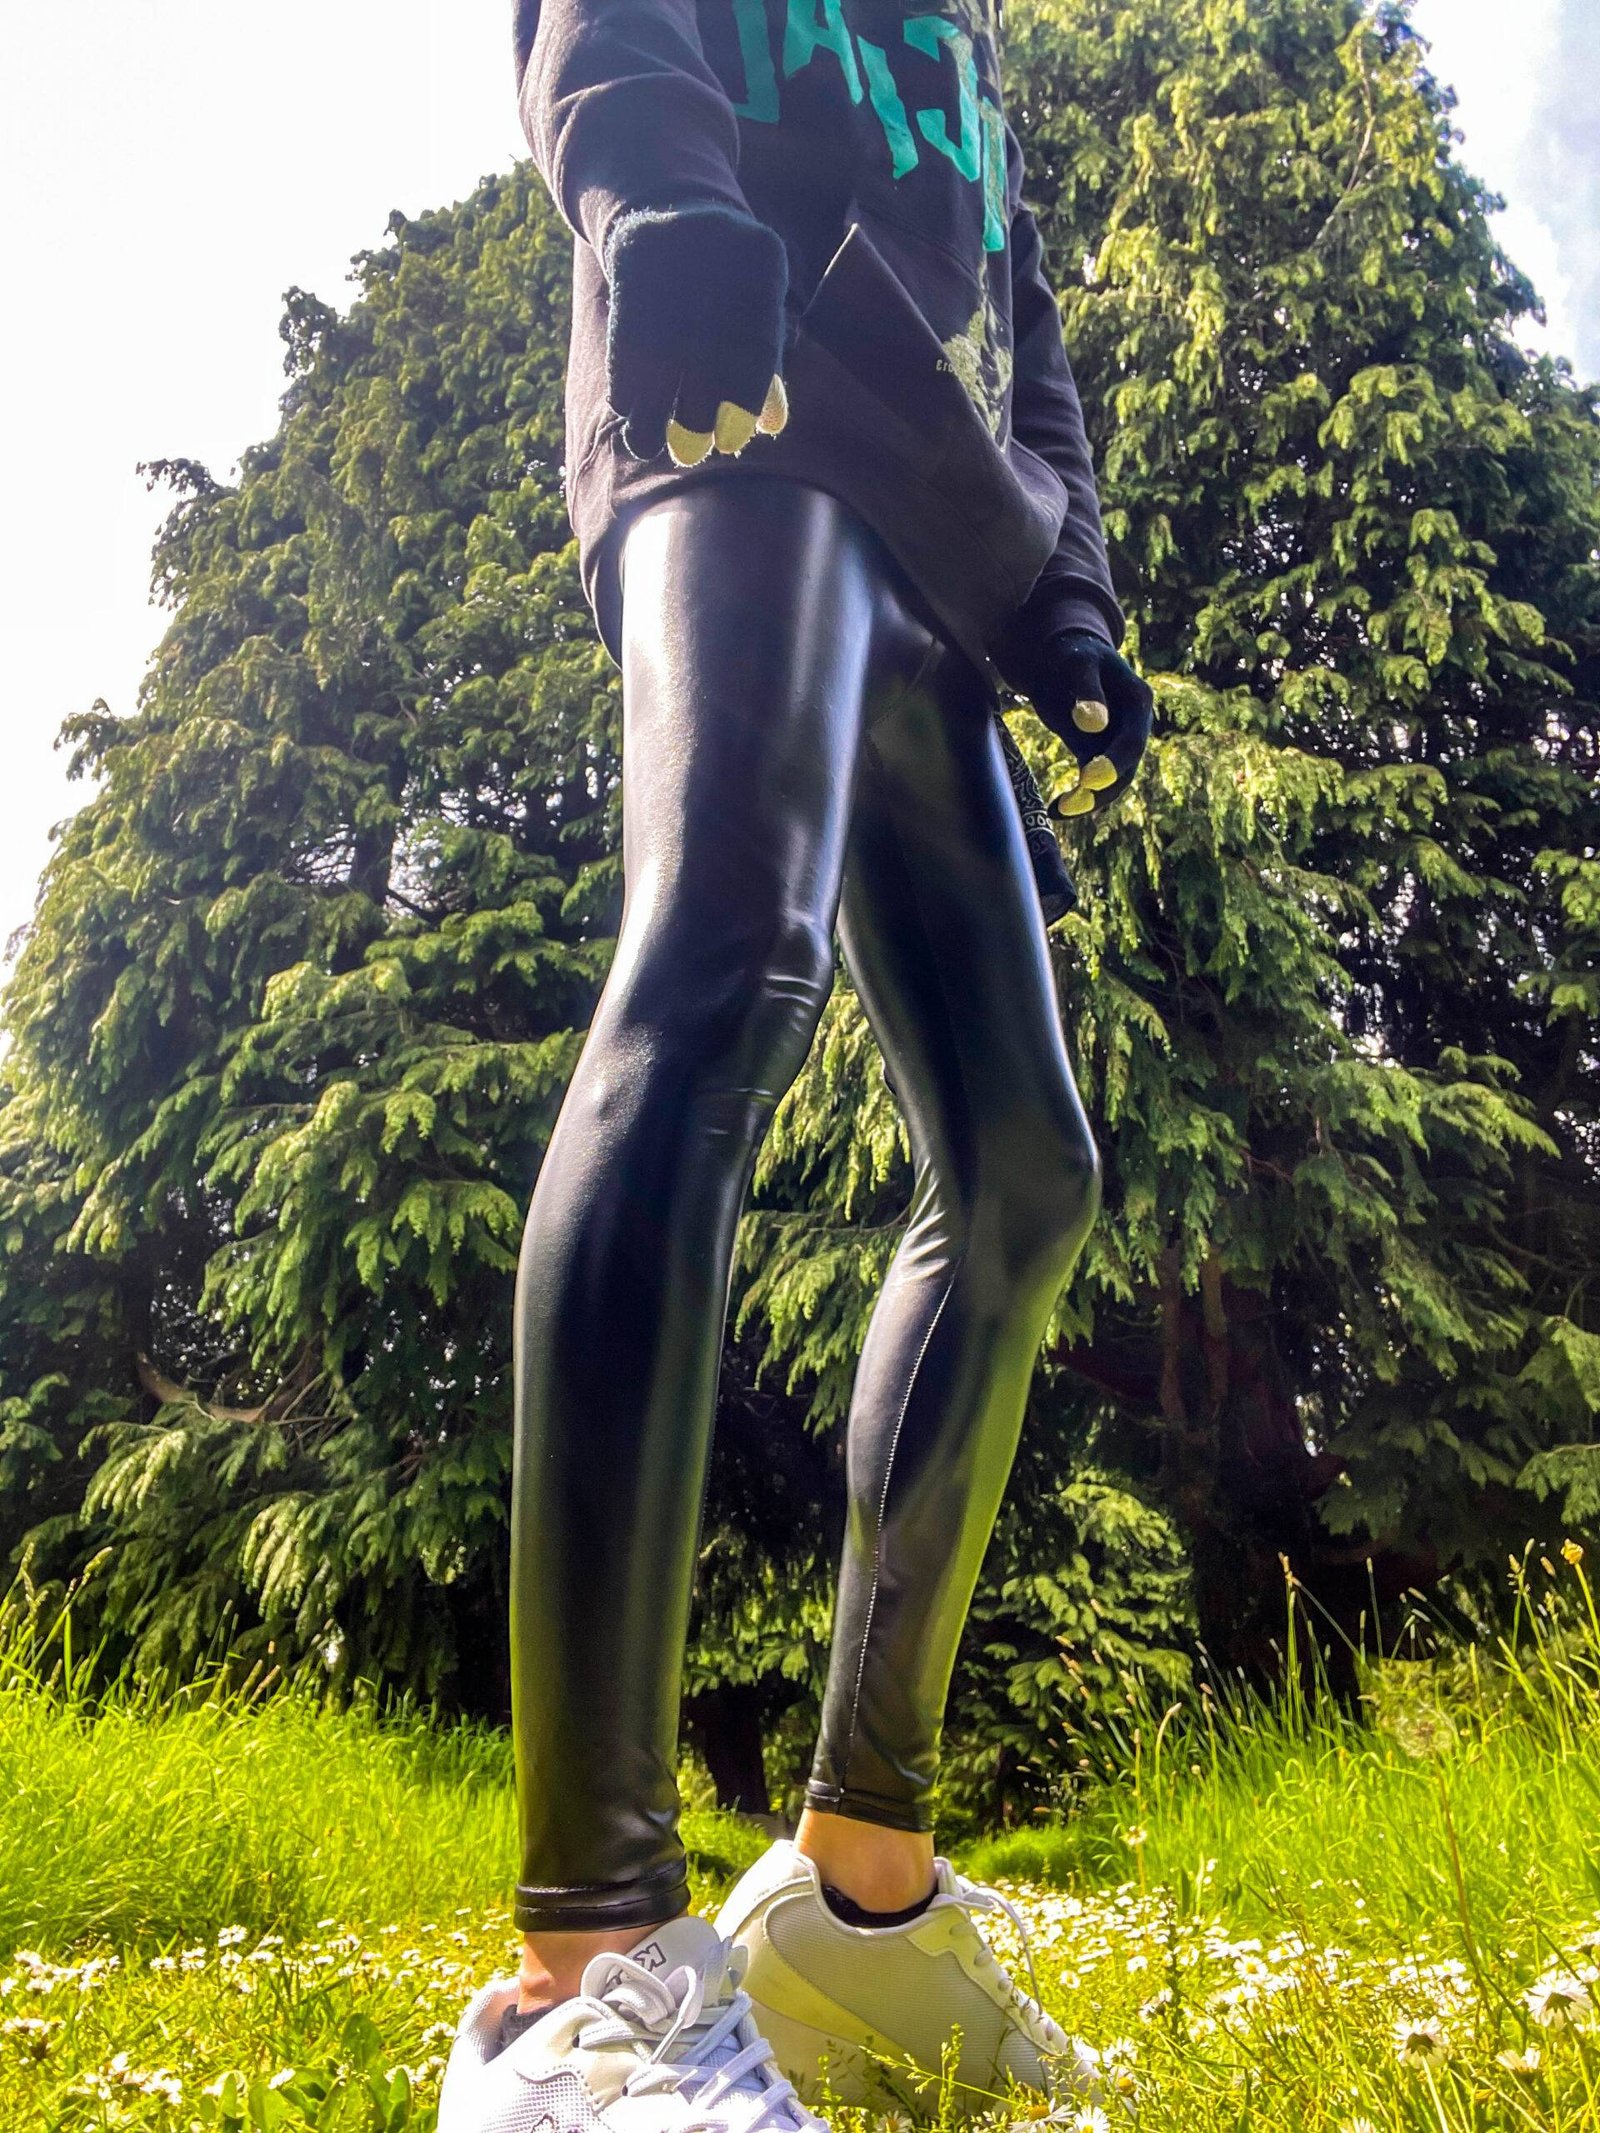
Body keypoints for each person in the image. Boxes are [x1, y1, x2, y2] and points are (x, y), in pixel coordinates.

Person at [439, 0, 1153, 2124]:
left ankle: (857, 1889)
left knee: (1023, 1167)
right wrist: (657, 202)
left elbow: (1020, 322)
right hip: (737, 408)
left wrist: (1068, 599)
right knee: (721, 960)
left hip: (940, 547)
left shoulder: (971, 41)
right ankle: (579, 1975)